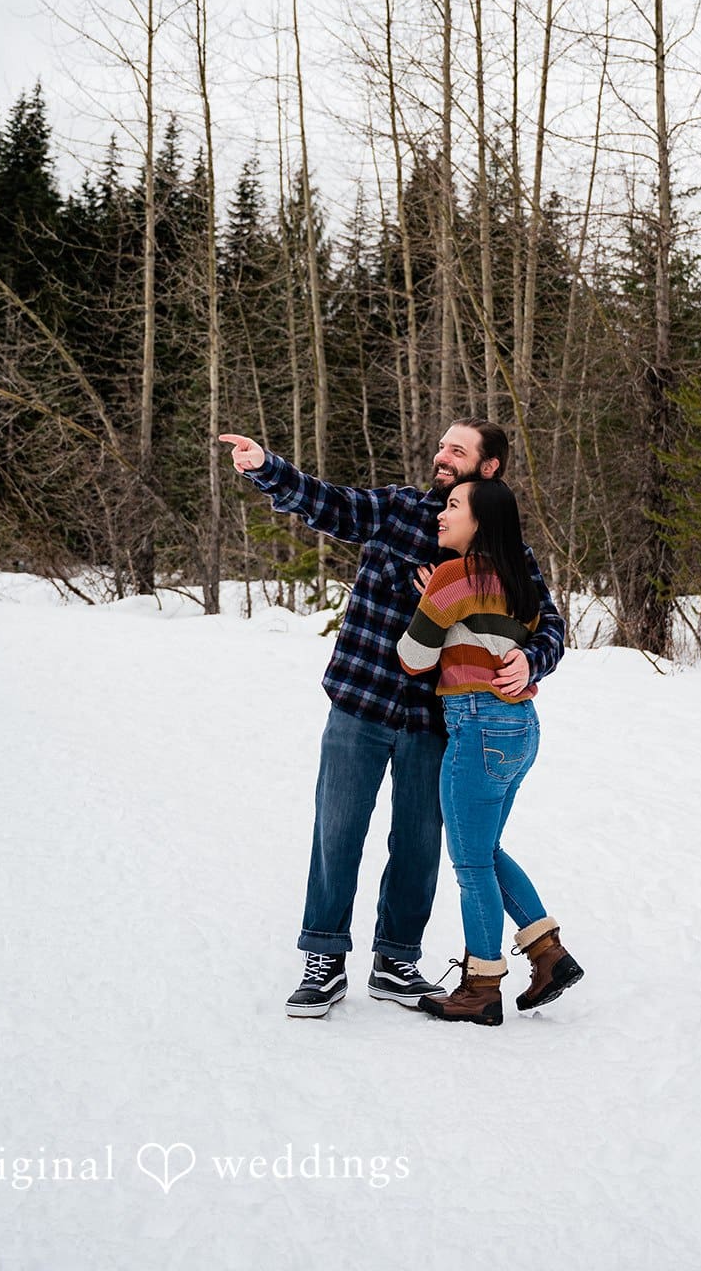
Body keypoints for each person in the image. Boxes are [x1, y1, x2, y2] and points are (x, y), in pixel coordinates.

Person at [219, 420, 566, 1018]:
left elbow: (553, 625)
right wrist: (266, 467)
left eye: (456, 451)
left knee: (420, 843)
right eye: (440, 445)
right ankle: (323, 957)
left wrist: (529, 659)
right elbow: (331, 504)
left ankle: (396, 959)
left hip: (439, 720)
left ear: (489, 469)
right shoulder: (399, 510)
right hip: (362, 700)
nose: (440, 455)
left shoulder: (510, 555)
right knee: (337, 831)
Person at [397, 476, 583, 1026]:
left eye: (453, 507)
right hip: (520, 726)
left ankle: (481, 985)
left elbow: (413, 658)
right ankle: (548, 952)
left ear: (480, 522)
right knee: (488, 847)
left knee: (472, 861)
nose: (441, 514)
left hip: (475, 724)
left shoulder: (454, 577)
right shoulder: (518, 580)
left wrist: (432, 598)